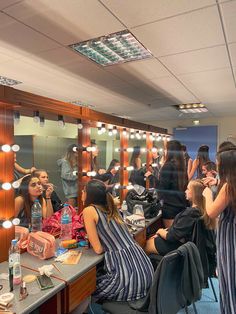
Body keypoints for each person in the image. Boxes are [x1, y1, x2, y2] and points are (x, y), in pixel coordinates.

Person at [82, 180, 154, 302]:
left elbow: (98, 249)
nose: (82, 193)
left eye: (84, 191)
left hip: (127, 277)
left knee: (85, 290)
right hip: (144, 268)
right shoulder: (111, 206)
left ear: (89, 194)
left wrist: (109, 243)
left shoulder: (89, 210)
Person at [203, 148, 236, 313]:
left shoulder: (228, 187)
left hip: (229, 237)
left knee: (228, 278)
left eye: (219, 163)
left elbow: (211, 212)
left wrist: (208, 194)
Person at [145, 179, 215, 256]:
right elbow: (180, 229)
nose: (185, 191)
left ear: (194, 193)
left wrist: (160, 231)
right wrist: (165, 231)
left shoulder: (190, 214)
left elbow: (170, 237)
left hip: (179, 247)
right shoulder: (200, 211)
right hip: (183, 244)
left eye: (188, 189)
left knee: (145, 245)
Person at [157, 140, 187, 228]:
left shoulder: (168, 166)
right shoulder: (181, 166)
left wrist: (152, 178)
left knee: (170, 237)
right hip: (181, 206)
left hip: (170, 208)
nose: (164, 152)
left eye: (165, 149)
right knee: (178, 238)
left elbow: (162, 189)